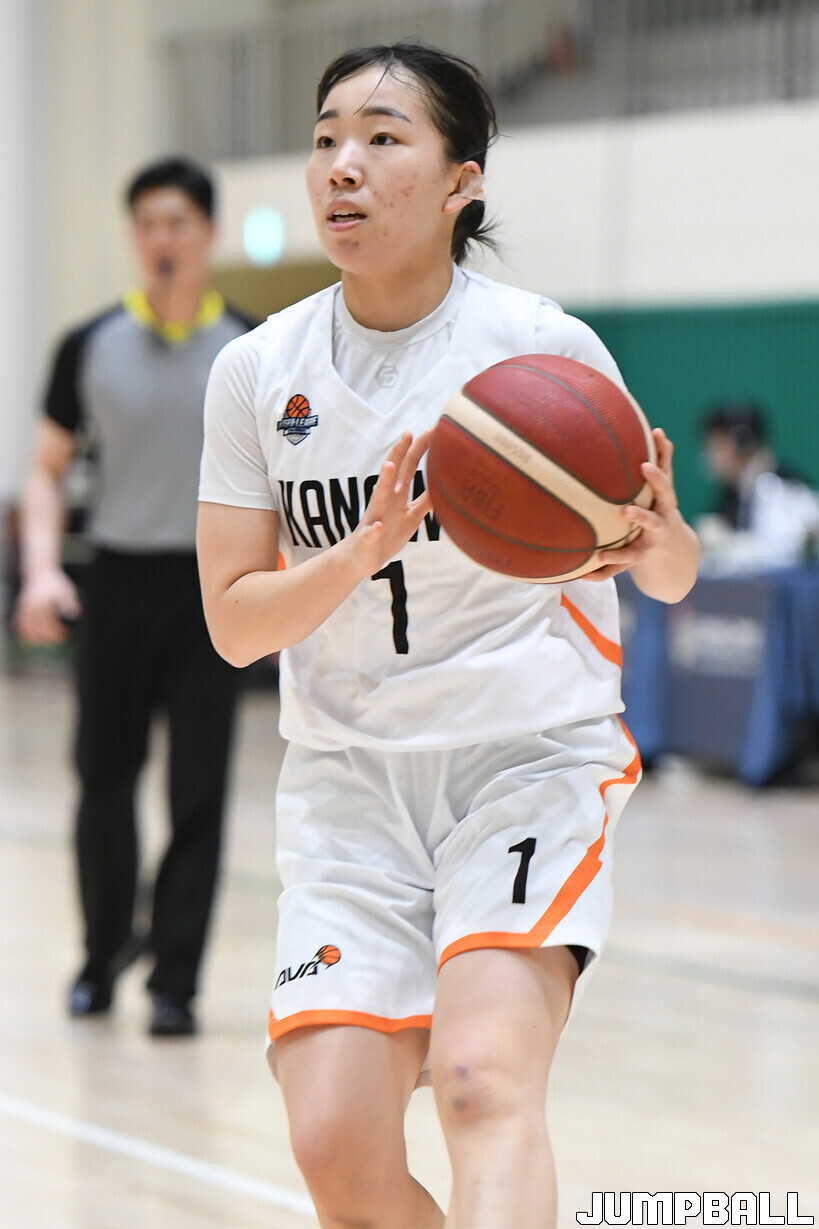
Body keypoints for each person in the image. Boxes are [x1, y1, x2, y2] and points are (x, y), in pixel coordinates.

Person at [197, 43, 699, 1229]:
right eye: (326, 138)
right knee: (334, 1143)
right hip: (349, 786)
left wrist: (661, 536)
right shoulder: (258, 370)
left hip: (525, 761)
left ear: (462, 181)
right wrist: (354, 553)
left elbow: (671, 574)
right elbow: (231, 622)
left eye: (382, 137)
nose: (343, 165)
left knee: (481, 1081)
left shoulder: (544, 351)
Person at [14, 157, 255, 1037]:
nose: (162, 238)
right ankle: (102, 953)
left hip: (210, 591)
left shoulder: (251, 347)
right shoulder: (88, 344)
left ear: (208, 233)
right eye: (147, 223)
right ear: (134, 235)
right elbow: (45, 472)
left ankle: (175, 983)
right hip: (116, 582)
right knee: (103, 783)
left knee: (199, 789)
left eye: (178, 222)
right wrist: (43, 569)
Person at [698, 400, 819, 571]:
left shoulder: (780, 488)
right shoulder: (734, 493)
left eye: (716, 447)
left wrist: (726, 548)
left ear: (741, 443)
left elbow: (780, 555)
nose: (711, 455)